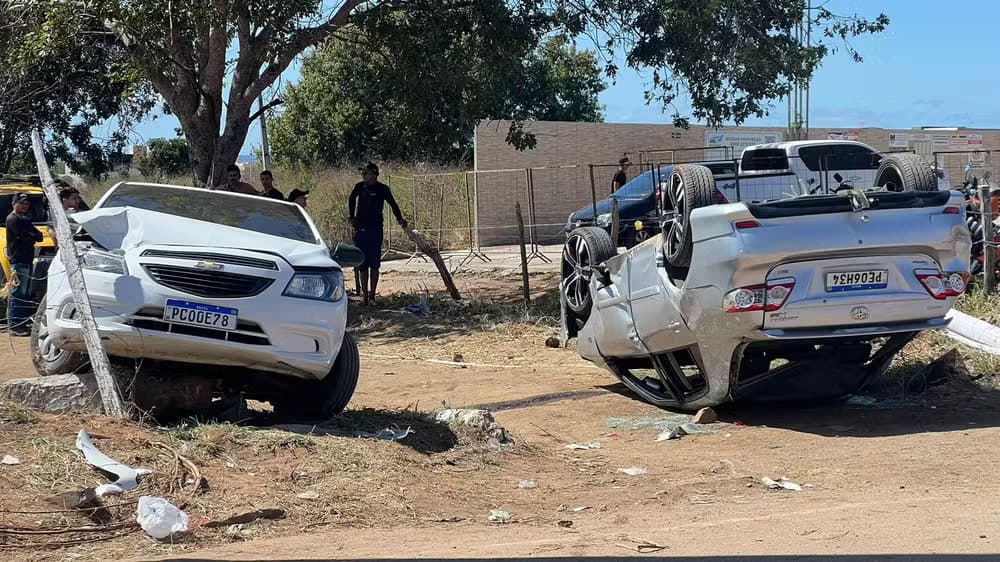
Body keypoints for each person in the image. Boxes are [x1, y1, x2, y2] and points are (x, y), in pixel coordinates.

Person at [348, 162, 407, 306]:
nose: (363, 176)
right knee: (362, 263)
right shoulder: (359, 187)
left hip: (375, 230)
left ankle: (373, 296)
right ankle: (364, 297)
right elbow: (351, 199)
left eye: (366, 173)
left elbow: (393, 204)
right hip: (361, 230)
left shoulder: (383, 189)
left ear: (374, 175)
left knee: (374, 263)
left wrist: (400, 219)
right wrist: (352, 217)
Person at [5, 193, 43, 336]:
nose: (24, 206)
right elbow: (24, 236)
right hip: (18, 260)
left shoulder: (25, 219)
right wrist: (31, 235)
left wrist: (31, 235)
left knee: (26, 292)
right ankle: (15, 325)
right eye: (21, 203)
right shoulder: (12, 219)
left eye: (26, 204)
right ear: (14, 204)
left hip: (27, 259)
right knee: (18, 292)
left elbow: (38, 236)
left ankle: (22, 322)